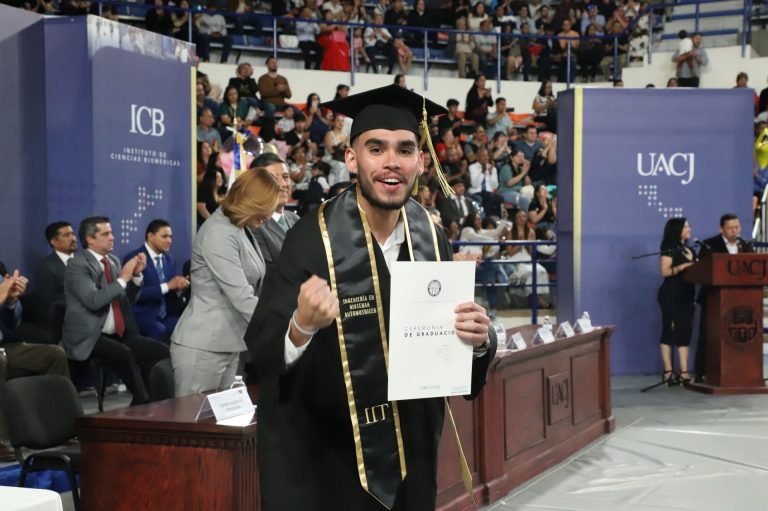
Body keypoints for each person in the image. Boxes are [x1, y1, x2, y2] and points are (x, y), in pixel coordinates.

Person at [244, 84, 496, 510]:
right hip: (331, 464)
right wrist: (300, 327)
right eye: (376, 149)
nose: (391, 162)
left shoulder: (432, 237)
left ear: (421, 161)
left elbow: (449, 362)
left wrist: (478, 341)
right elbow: (262, 346)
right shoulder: (312, 239)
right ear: (351, 159)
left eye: (405, 149)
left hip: (412, 460)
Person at [171, 168, 279, 397]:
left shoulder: (239, 228)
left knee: (220, 421)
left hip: (229, 344)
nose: (269, 216)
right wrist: (287, 329)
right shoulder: (219, 232)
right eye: (266, 207)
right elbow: (242, 297)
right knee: (193, 419)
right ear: (251, 201)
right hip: (204, 346)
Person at [62, 217, 170, 406]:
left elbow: (128, 299)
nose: (112, 237)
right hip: (91, 335)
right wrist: (123, 279)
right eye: (105, 234)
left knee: (161, 352)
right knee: (123, 353)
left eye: (111, 233)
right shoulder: (77, 265)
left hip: (120, 333)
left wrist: (135, 276)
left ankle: (149, 401)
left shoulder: (113, 261)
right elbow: (94, 301)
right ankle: (143, 403)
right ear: (90, 239)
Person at [1, 266, 70, 461]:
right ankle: (1, 439)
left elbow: (12, 325)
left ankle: (61, 426)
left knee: (54, 354)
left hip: (7, 345)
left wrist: (11, 301)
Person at [694, 214, 752, 383]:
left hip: (739, 300)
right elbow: (703, 269)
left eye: (737, 227)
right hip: (713, 297)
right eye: (730, 228)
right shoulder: (709, 245)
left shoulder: (745, 245)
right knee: (708, 334)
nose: (734, 231)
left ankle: (738, 370)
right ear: (721, 229)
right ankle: (702, 371)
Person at [123, 220, 190, 342]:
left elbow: (171, 291)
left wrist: (178, 288)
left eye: (170, 237)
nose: (169, 240)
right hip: (143, 314)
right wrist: (168, 286)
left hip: (167, 315)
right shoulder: (135, 258)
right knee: (159, 330)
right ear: (151, 236)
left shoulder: (169, 259)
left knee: (187, 325)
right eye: (164, 236)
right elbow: (135, 295)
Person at [657, 217, 696, 386]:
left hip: (687, 294)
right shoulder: (669, 248)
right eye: (686, 227)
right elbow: (665, 272)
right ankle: (668, 371)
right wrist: (683, 266)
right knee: (669, 330)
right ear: (677, 230)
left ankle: (684, 371)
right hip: (671, 294)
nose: (689, 229)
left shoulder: (690, 249)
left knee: (685, 331)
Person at [250, 153, 300, 273]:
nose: (283, 184)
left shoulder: (295, 218)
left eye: (286, 177)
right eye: (273, 178)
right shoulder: (252, 224)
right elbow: (267, 273)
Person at [34, 221, 77, 330]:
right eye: (66, 235)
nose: (73, 238)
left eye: (73, 233)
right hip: (62, 324)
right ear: (54, 242)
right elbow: (50, 302)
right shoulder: (46, 267)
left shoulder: (84, 262)